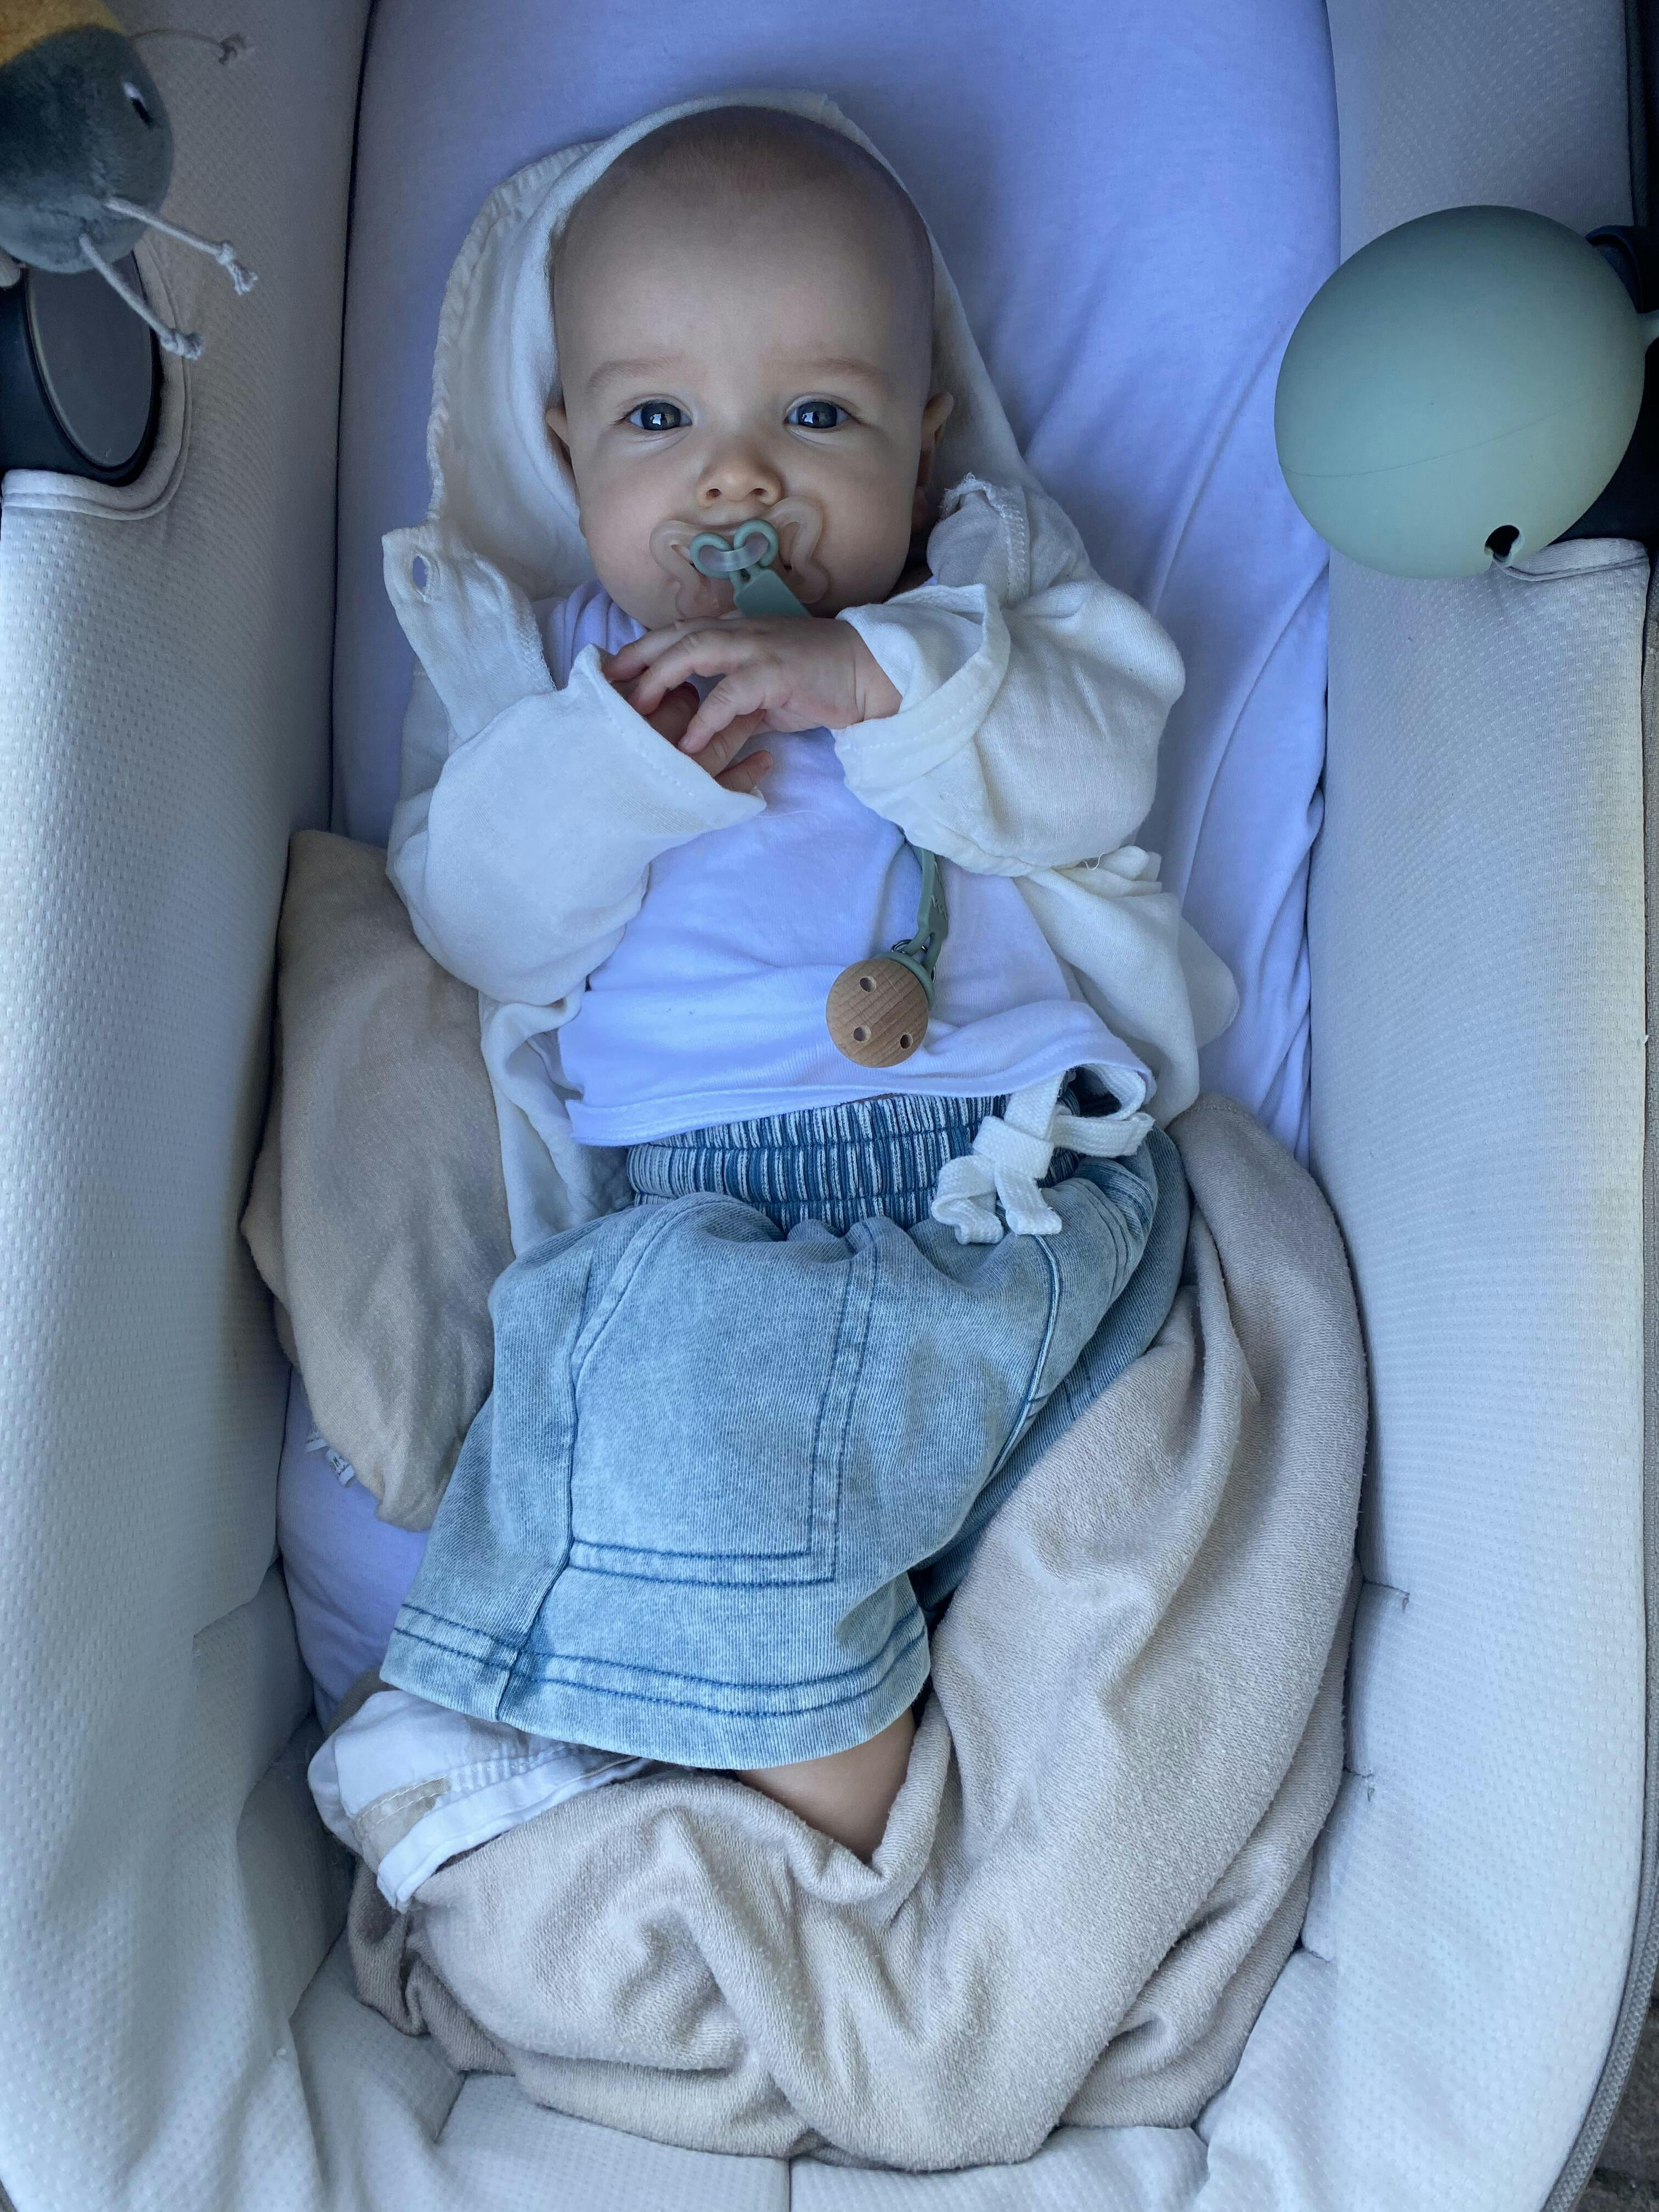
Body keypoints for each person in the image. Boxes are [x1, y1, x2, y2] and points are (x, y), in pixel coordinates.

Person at [376, 101, 1233, 1863]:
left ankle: (855, 1824)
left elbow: (1100, 768)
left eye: (819, 417)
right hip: (698, 1208)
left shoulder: (981, 613)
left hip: (992, 1180)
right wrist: (611, 771)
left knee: (1003, 1501)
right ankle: (791, 1784)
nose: (739, 481)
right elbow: (482, 928)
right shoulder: (555, 685)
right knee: (637, 1391)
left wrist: (875, 678)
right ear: (566, 446)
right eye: (658, 420)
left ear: (925, 438)